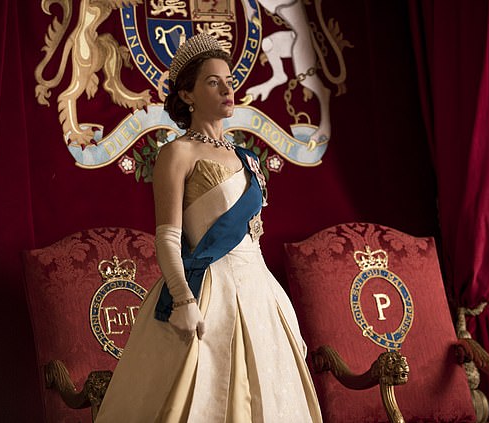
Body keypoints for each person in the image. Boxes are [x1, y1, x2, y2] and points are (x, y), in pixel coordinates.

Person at [95, 33, 322, 423]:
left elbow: (255, 244)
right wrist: (183, 301)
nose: (227, 90)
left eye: (229, 82)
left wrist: (283, 309)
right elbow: (167, 239)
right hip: (206, 294)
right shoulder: (176, 153)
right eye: (213, 82)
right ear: (187, 94)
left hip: (260, 296)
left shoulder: (248, 158)